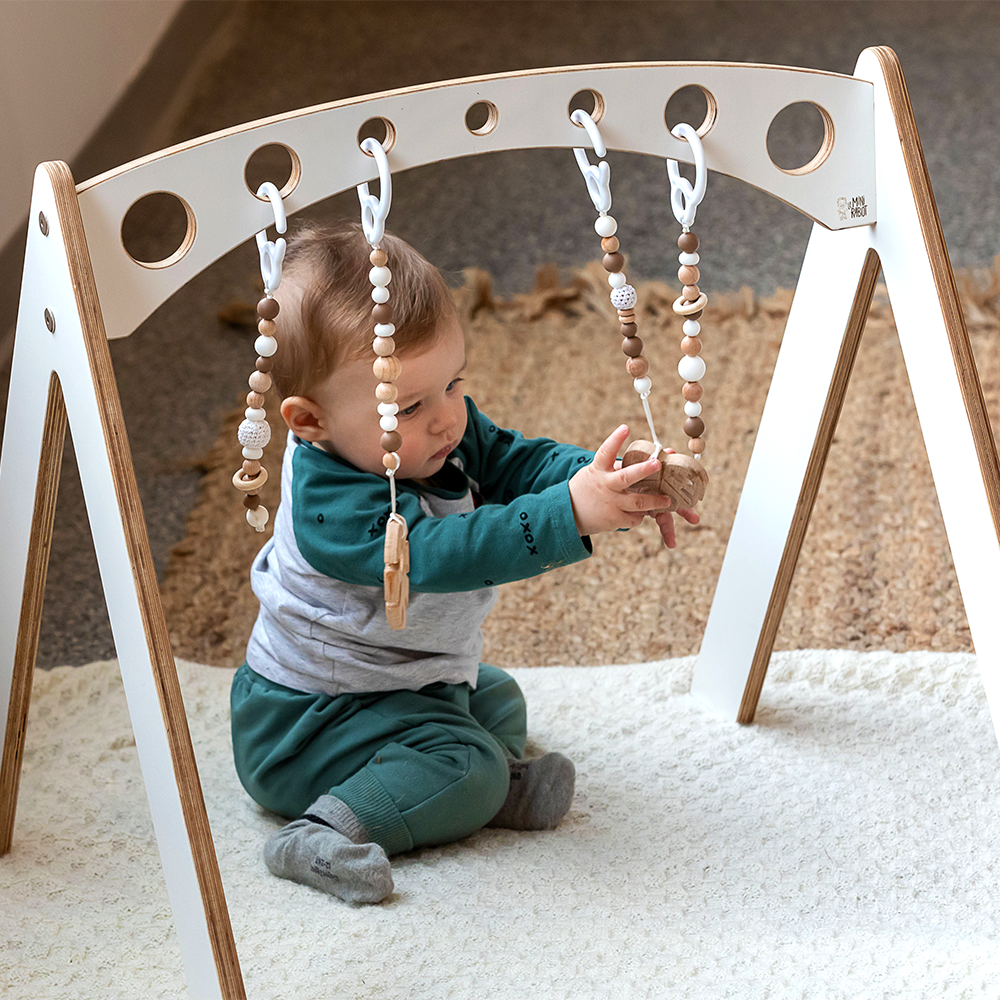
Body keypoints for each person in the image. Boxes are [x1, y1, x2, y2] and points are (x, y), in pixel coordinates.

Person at [230, 222, 699, 904]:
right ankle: (321, 832)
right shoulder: (330, 504)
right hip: (306, 723)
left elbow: (516, 461)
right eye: (413, 406)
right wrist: (570, 514)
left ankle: (472, 787)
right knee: (470, 761)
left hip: (396, 684)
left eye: (455, 383)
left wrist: (604, 478)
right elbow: (448, 553)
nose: (449, 420)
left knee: (496, 693)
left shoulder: (438, 430)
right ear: (309, 422)